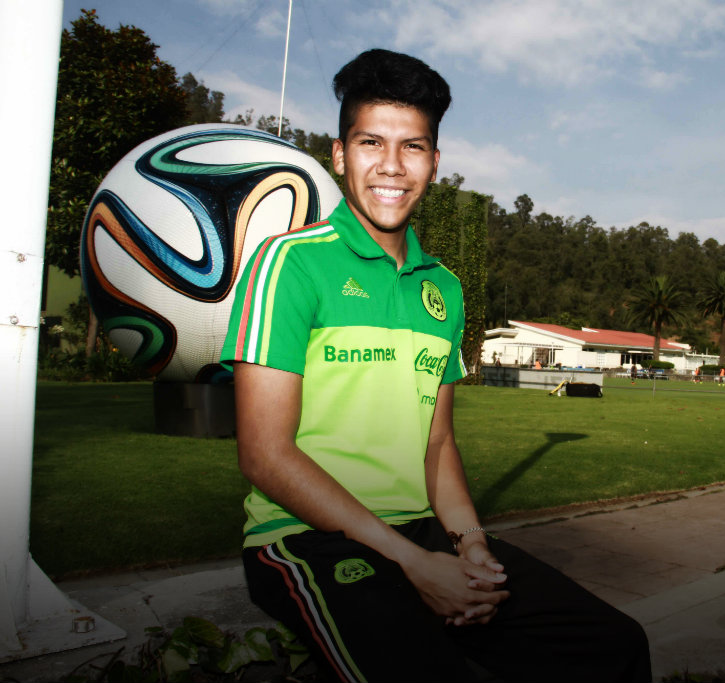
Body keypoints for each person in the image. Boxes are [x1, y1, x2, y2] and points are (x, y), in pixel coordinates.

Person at [220, 49, 649, 683]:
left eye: (412, 147)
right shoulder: (290, 263)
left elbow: (438, 441)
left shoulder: (443, 288)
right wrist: (413, 566)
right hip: (303, 539)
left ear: (434, 163)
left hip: (420, 532)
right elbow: (264, 455)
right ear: (339, 156)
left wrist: (470, 544)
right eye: (371, 142)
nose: (391, 166)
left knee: (613, 644)